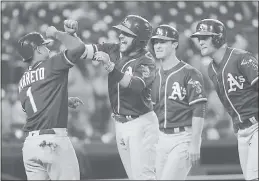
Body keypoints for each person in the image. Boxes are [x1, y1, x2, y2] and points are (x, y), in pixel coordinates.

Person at [63, 15, 159, 180]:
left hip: (141, 124)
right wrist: (72, 37)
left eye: (127, 33)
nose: (121, 35)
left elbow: (136, 85)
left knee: (145, 177)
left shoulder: (147, 61)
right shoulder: (113, 49)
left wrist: (110, 66)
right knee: (134, 176)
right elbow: (83, 51)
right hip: (120, 123)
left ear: (140, 39)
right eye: (121, 32)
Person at [191, 19, 258, 180]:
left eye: (204, 37)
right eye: (199, 38)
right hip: (242, 130)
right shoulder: (211, 69)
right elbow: (227, 101)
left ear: (218, 37)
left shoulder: (242, 58)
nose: (200, 42)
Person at [17, 25, 85, 180]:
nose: (47, 48)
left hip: (30, 145)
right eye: (44, 46)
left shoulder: (22, 81)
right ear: (38, 50)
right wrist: (56, 33)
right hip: (53, 142)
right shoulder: (51, 65)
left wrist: (62, 100)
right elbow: (79, 48)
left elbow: (33, 106)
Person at [150, 25, 207, 180]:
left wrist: (195, 143)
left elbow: (199, 108)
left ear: (175, 44)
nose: (158, 45)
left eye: (163, 41)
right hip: (161, 138)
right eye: (155, 42)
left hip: (183, 137)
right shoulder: (155, 75)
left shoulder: (190, 73)